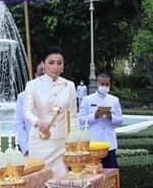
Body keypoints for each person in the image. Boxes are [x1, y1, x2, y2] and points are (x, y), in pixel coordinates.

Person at [24, 47, 78, 177]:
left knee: (61, 179)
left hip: (61, 143)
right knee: (39, 178)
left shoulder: (69, 86)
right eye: (51, 62)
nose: (55, 67)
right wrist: (38, 122)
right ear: (43, 65)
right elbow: (27, 112)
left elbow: (73, 116)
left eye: (59, 63)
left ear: (63, 66)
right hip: (40, 140)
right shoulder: (32, 85)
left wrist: (74, 139)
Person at [77, 72, 124, 168]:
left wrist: (111, 117)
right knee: (93, 170)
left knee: (111, 171)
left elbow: (120, 120)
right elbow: (81, 119)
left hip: (110, 143)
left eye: (107, 84)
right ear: (97, 84)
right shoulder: (87, 100)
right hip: (93, 142)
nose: (105, 86)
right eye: (102, 84)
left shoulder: (114, 100)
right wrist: (95, 115)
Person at [14, 64, 44, 155]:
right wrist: (26, 148)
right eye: (40, 75)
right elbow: (19, 124)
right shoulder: (23, 97)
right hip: (31, 149)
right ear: (35, 76)